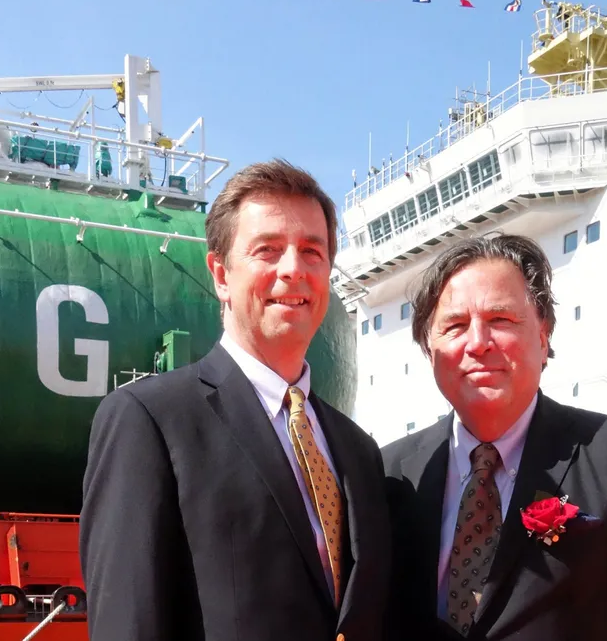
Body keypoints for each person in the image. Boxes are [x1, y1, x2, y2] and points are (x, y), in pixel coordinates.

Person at [79, 159, 391, 641]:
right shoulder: (150, 422)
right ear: (221, 274)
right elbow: (129, 622)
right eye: (268, 249)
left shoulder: (359, 451)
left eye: (312, 251)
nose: (293, 269)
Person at [382, 234, 607, 641]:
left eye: (501, 320)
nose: (478, 343)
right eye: (455, 326)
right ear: (430, 349)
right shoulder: (389, 474)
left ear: (543, 335)